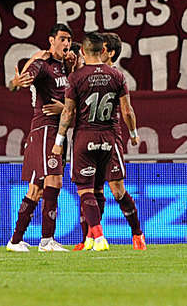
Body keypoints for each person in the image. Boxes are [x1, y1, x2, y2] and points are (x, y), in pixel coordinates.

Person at [50, 32, 137, 253]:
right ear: (102, 50)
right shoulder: (117, 76)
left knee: (88, 190)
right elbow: (127, 110)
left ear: (83, 50)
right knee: (100, 189)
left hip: (86, 136)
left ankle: (99, 236)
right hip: (109, 138)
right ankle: (94, 237)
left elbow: (68, 112)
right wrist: (134, 133)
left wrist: (59, 141)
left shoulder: (77, 77)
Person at [72, 32, 145, 251]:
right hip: (99, 137)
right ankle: (89, 237)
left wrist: (133, 133)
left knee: (116, 189)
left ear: (110, 52)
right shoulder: (92, 74)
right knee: (94, 190)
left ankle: (137, 234)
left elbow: (126, 109)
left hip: (107, 136)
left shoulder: (115, 76)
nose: (99, 51)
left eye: (103, 47)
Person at [6, 23, 75, 252]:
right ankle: (47, 241)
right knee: (54, 181)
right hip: (45, 129)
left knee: (35, 189)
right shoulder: (42, 64)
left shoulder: (66, 67)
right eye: (62, 39)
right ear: (51, 40)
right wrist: (16, 82)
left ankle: (15, 241)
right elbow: (19, 82)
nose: (66, 43)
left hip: (57, 130)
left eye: (69, 39)